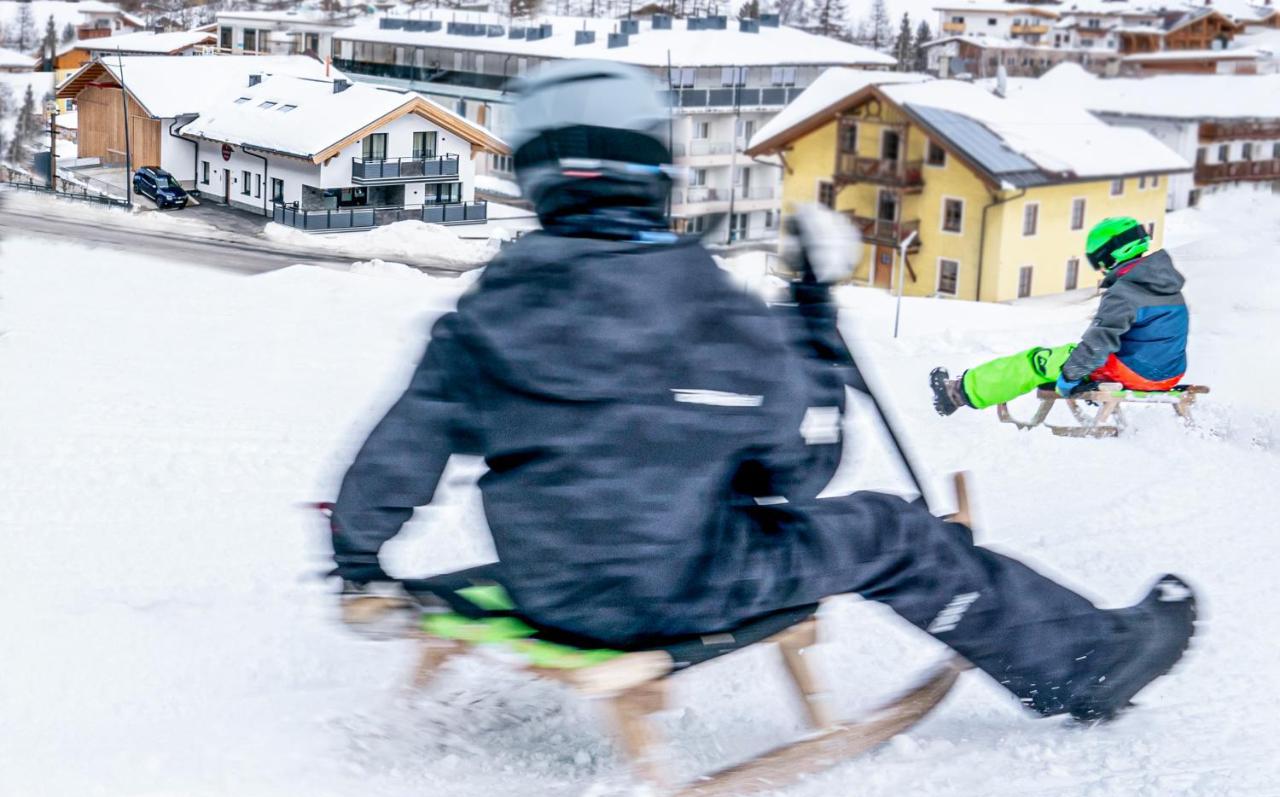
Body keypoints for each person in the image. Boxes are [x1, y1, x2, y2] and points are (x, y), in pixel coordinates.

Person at [328, 60, 1195, 722]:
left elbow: (398, 451)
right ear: (648, 169)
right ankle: (1088, 667)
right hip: (683, 589)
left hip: (549, 587)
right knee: (893, 529)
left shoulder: (488, 311)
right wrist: (810, 316)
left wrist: (358, 563)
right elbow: (801, 472)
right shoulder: (700, 300)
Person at [931, 218, 1189, 416]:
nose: (1101, 268)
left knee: (1038, 361)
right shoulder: (1167, 286)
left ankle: (959, 392)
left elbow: (1099, 343)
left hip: (1135, 373)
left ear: (1111, 253)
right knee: (1071, 360)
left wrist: (1071, 376)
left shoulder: (1125, 292)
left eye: (1099, 260)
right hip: (1169, 374)